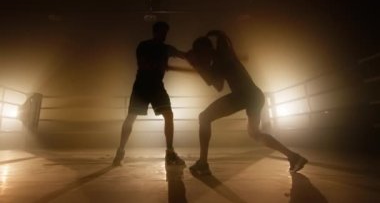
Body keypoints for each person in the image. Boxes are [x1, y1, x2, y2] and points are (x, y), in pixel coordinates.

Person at [188, 30, 308, 175]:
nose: (202, 59)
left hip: (244, 95)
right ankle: (293, 156)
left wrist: (197, 65)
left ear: (206, 51)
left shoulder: (222, 56)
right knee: (254, 133)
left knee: (204, 117)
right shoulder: (221, 58)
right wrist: (200, 65)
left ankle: (203, 163)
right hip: (255, 96)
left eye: (201, 55)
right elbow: (218, 86)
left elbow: (214, 81)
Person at [112, 21, 187, 166]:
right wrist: (160, 65)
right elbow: (143, 64)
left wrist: (199, 57)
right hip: (142, 86)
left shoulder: (167, 48)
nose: (165, 35)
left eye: (166, 32)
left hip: (157, 87)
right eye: (162, 32)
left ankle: (170, 152)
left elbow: (183, 55)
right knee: (131, 117)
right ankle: (120, 150)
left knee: (168, 115)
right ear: (155, 32)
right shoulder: (144, 46)